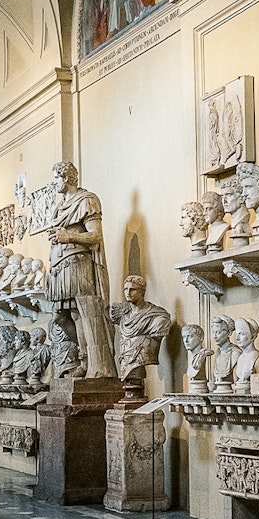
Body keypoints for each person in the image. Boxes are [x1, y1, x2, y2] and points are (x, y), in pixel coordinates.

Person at [45, 161, 113, 378]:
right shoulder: (59, 207)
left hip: (77, 263)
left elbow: (95, 236)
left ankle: (87, 362)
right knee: (61, 315)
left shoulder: (87, 200)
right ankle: (81, 358)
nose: (54, 182)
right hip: (58, 266)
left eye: (56, 177)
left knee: (81, 313)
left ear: (66, 178)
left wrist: (69, 236)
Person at [108, 274, 172, 394]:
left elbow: (157, 333)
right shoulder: (123, 315)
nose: (128, 293)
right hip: (126, 360)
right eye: (126, 289)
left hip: (139, 359)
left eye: (132, 289)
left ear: (142, 291)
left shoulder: (156, 316)